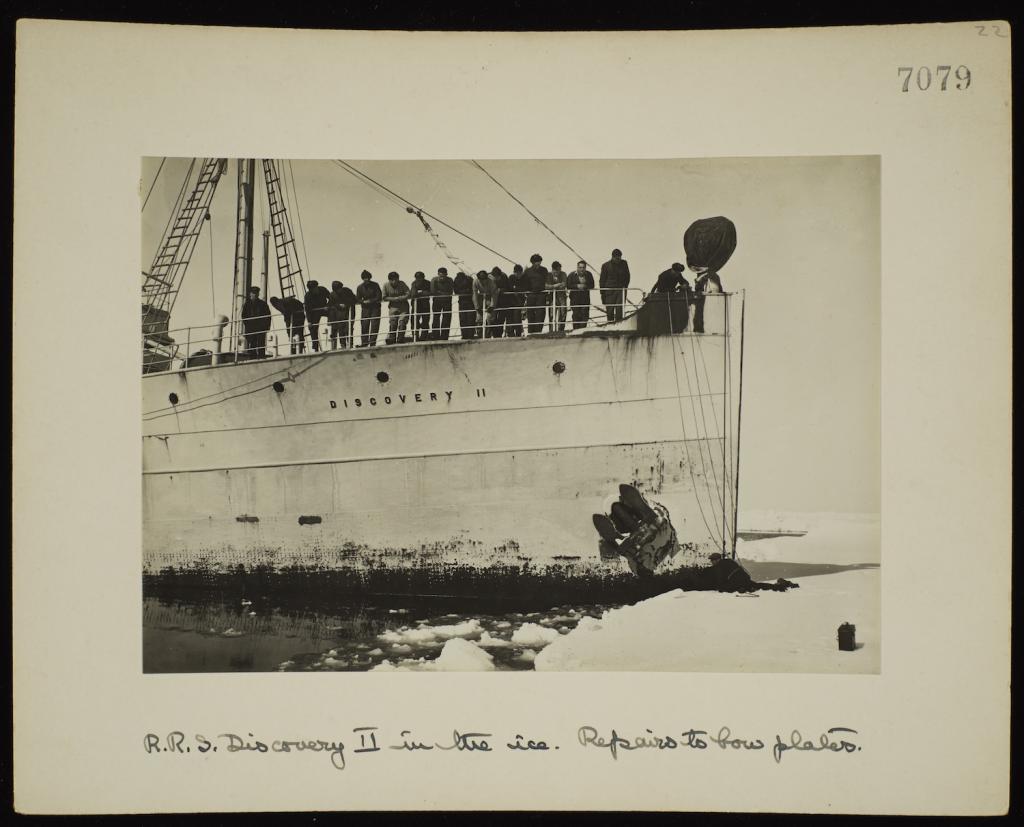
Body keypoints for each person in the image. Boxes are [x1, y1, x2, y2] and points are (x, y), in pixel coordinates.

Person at [599, 248, 631, 323]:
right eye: (616, 257)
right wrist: (602, 294)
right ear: (612, 257)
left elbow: (627, 276)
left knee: (619, 311)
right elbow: (602, 281)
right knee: (610, 311)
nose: (618, 259)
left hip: (620, 291)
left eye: (619, 257)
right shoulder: (605, 266)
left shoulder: (624, 263)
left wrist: (624, 287)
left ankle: (618, 326)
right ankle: (610, 326)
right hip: (609, 292)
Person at [241, 285, 271, 358]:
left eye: (256, 293)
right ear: (250, 294)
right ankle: (252, 358)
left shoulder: (263, 304)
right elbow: (244, 316)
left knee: (261, 344)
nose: (255, 294)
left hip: (260, 327)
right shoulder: (247, 305)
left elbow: (268, 316)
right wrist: (248, 325)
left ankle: (261, 357)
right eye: (253, 293)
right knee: (252, 344)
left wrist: (266, 327)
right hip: (251, 328)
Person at [522, 254, 549, 334]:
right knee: (530, 314)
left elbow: (547, 281)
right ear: (532, 262)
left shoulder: (544, 270)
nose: (538, 263)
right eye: (536, 262)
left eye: (539, 262)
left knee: (541, 314)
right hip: (531, 295)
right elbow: (524, 283)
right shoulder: (527, 271)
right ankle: (531, 332)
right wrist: (526, 291)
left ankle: (538, 332)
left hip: (541, 295)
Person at [327, 280, 357, 349]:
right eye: (337, 289)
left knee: (349, 328)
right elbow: (331, 303)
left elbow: (354, 299)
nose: (339, 290)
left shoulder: (347, 291)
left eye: (340, 288)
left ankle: (350, 344)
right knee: (340, 329)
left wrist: (346, 304)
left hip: (349, 313)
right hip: (339, 314)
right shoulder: (332, 294)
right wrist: (338, 305)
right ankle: (343, 345)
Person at [692, 268, 723, 334]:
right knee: (703, 314)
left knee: (705, 314)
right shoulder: (707, 275)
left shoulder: (709, 275)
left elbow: (698, 287)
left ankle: (702, 329)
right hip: (706, 298)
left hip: (709, 298)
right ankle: (701, 329)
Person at [355, 270, 382, 347]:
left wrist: (370, 301)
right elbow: (358, 298)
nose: (366, 279)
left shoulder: (375, 285)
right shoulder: (360, 287)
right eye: (364, 278)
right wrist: (363, 301)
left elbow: (379, 296)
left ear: (370, 278)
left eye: (367, 278)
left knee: (374, 325)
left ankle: (372, 343)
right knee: (364, 325)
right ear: (362, 278)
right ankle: (364, 343)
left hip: (375, 308)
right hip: (365, 309)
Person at [303, 280, 332, 352]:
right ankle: (315, 347)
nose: (314, 290)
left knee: (334, 315)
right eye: (312, 289)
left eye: (315, 288)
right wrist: (309, 321)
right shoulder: (307, 296)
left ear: (317, 286)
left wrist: (328, 305)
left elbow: (331, 298)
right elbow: (307, 309)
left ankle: (335, 338)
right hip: (315, 312)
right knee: (312, 328)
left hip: (324, 308)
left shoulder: (322, 289)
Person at [383, 271, 411, 344]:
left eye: (396, 279)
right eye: (392, 280)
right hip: (393, 307)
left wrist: (399, 298)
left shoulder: (402, 284)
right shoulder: (386, 285)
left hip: (403, 307)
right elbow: (384, 297)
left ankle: (400, 339)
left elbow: (408, 294)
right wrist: (394, 299)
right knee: (393, 323)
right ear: (389, 280)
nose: (394, 281)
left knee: (402, 322)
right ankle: (392, 339)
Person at [566, 261, 595, 330]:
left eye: (583, 267)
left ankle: (583, 332)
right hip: (575, 300)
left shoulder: (589, 274)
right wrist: (577, 286)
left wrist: (585, 286)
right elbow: (568, 285)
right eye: (580, 267)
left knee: (585, 317)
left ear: (585, 268)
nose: (582, 269)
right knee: (576, 316)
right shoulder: (572, 275)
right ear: (577, 267)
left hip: (585, 300)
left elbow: (592, 285)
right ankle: (576, 332)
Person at [430, 266, 455, 340]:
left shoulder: (450, 280)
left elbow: (450, 292)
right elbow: (433, 291)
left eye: (444, 276)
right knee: (436, 318)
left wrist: (440, 292)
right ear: (438, 274)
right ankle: (435, 336)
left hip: (447, 301)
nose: (442, 278)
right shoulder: (434, 280)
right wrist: (443, 293)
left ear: (446, 275)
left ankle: (444, 336)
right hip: (437, 302)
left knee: (446, 318)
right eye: (441, 276)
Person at [472, 270, 498, 338]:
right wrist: (477, 307)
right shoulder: (475, 281)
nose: (483, 281)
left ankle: (489, 334)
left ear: (486, 278)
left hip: (490, 297)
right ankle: (480, 335)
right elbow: (474, 294)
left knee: (490, 317)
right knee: (479, 318)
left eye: (484, 279)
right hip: (481, 298)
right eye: (481, 280)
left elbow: (494, 294)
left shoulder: (491, 281)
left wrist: (492, 306)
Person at [409, 271, 432, 342]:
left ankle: (423, 337)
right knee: (414, 321)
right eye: (417, 277)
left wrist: (419, 292)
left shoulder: (428, 283)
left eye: (420, 277)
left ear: (423, 277)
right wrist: (423, 292)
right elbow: (413, 294)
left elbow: (430, 293)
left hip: (425, 305)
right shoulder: (414, 283)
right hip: (416, 305)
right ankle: (415, 337)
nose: (419, 279)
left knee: (425, 321)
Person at [453, 270, 476, 339]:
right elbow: (457, 291)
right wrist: (466, 291)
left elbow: (457, 291)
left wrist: (463, 291)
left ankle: (466, 335)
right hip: (467, 301)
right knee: (469, 318)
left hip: (465, 301)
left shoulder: (457, 280)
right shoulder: (468, 279)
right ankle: (468, 335)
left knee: (466, 319)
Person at [504, 264, 525, 337]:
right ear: (514, 272)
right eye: (517, 273)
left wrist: (516, 289)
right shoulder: (511, 277)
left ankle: (518, 333)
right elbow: (510, 287)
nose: (518, 275)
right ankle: (510, 333)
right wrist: (516, 289)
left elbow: (524, 288)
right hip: (510, 302)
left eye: (520, 273)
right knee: (509, 318)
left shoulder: (523, 278)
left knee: (517, 317)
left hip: (518, 302)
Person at [547, 261, 568, 332]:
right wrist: (555, 285)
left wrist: (552, 286)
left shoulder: (563, 274)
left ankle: (561, 330)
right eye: (556, 270)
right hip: (552, 298)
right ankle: (551, 331)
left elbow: (564, 284)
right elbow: (546, 286)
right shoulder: (549, 275)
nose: (558, 272)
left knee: (563, 312)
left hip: (562, 297)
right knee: (551, 314)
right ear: (552, 269)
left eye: (559, 270)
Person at [489, 266, 510, 337]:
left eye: (497, 277)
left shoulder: (504, 276)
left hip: (503, 301)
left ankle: (499, 334)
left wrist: (500, 290)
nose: (496, 278)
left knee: (501, 318)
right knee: (492, 318)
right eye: (495, 277)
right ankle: (493, 334)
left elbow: (508, 287)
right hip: (493, 301)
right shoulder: (489, 277)